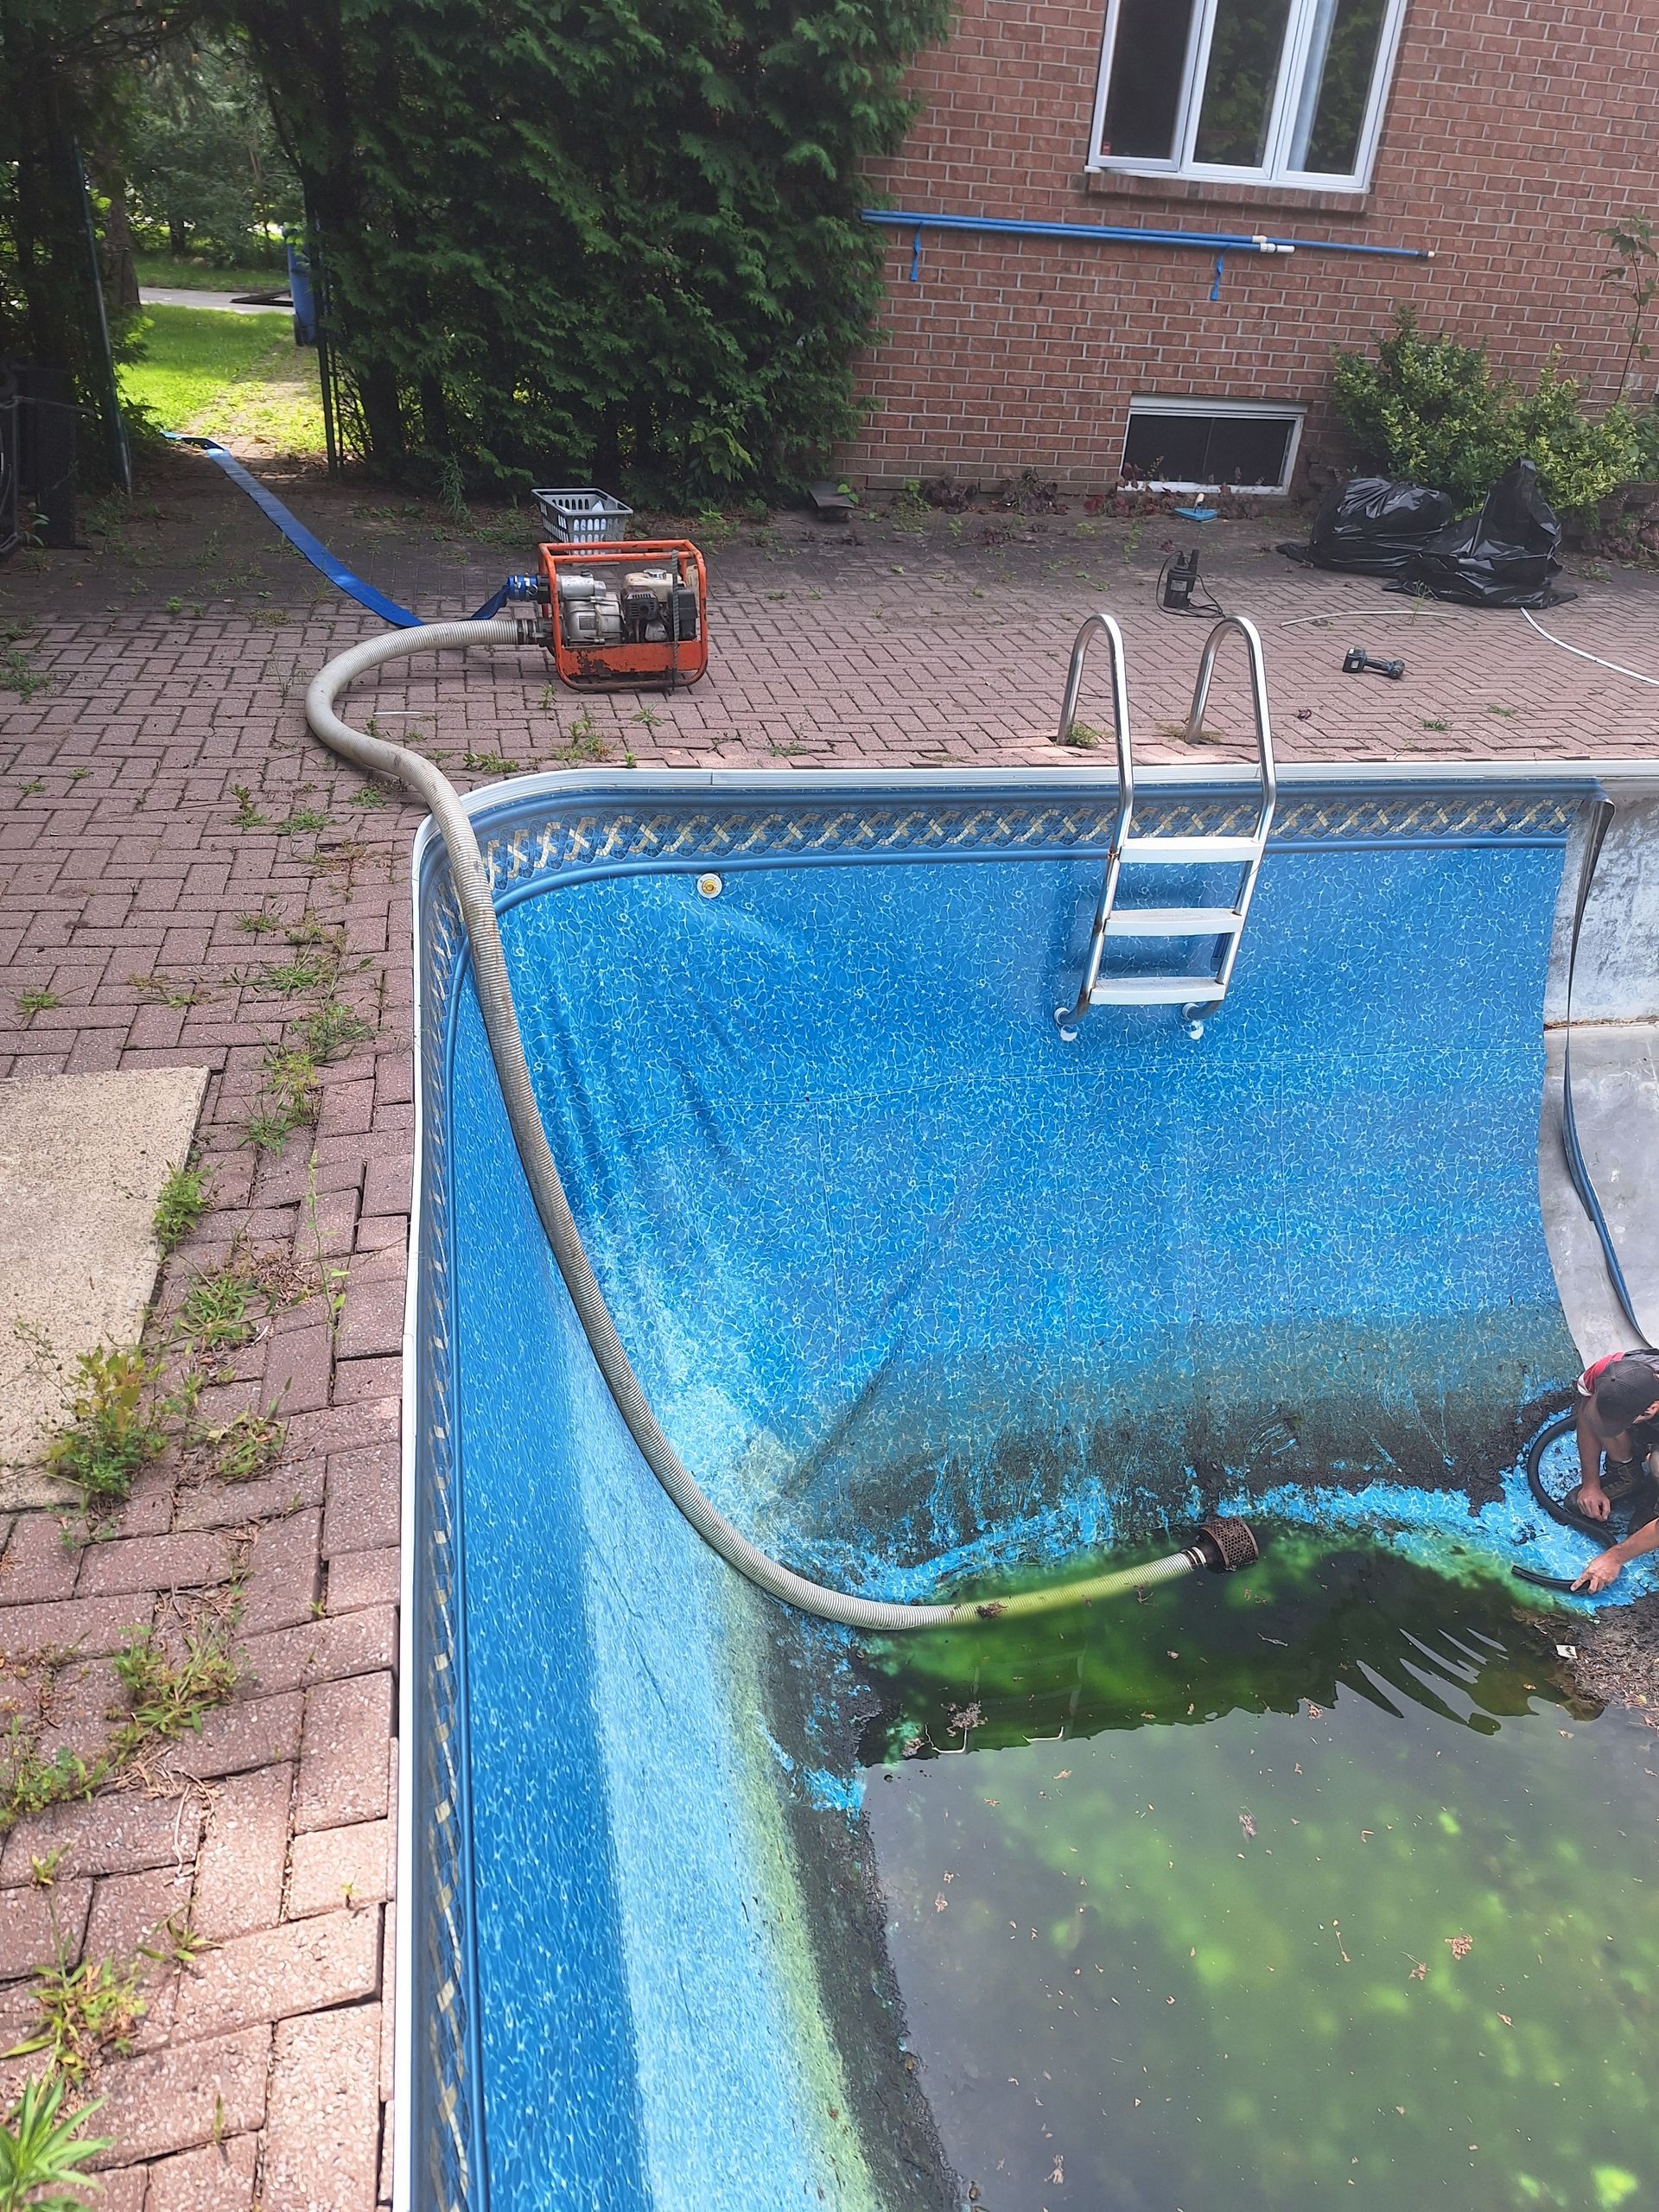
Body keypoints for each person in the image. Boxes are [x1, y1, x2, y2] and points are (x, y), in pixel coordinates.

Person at [1570, 1352, 1659, 1592]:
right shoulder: (1606, 1372)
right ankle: (1626, 1473)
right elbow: (1587, 1413)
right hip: (1646, 1424)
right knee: (1599, 1414)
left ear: (1652, 1408)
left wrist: (1615, 1556)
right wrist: (1591, 1484)